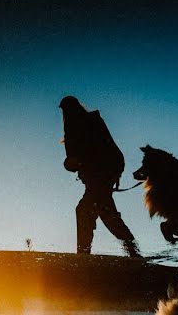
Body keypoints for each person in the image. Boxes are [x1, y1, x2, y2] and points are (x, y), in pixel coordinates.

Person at [59, 95, 141, 257]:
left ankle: (83, 254)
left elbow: (111, 151)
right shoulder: (73, 130)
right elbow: (75, 161)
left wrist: (113, 173)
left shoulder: (91, 122)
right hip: (95, 179)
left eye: (68, 109)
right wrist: (72, 164)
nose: (66, 114)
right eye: (65, 110)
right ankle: (133, 251)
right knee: (106, 213)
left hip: (102, 177)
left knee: (85, 210)